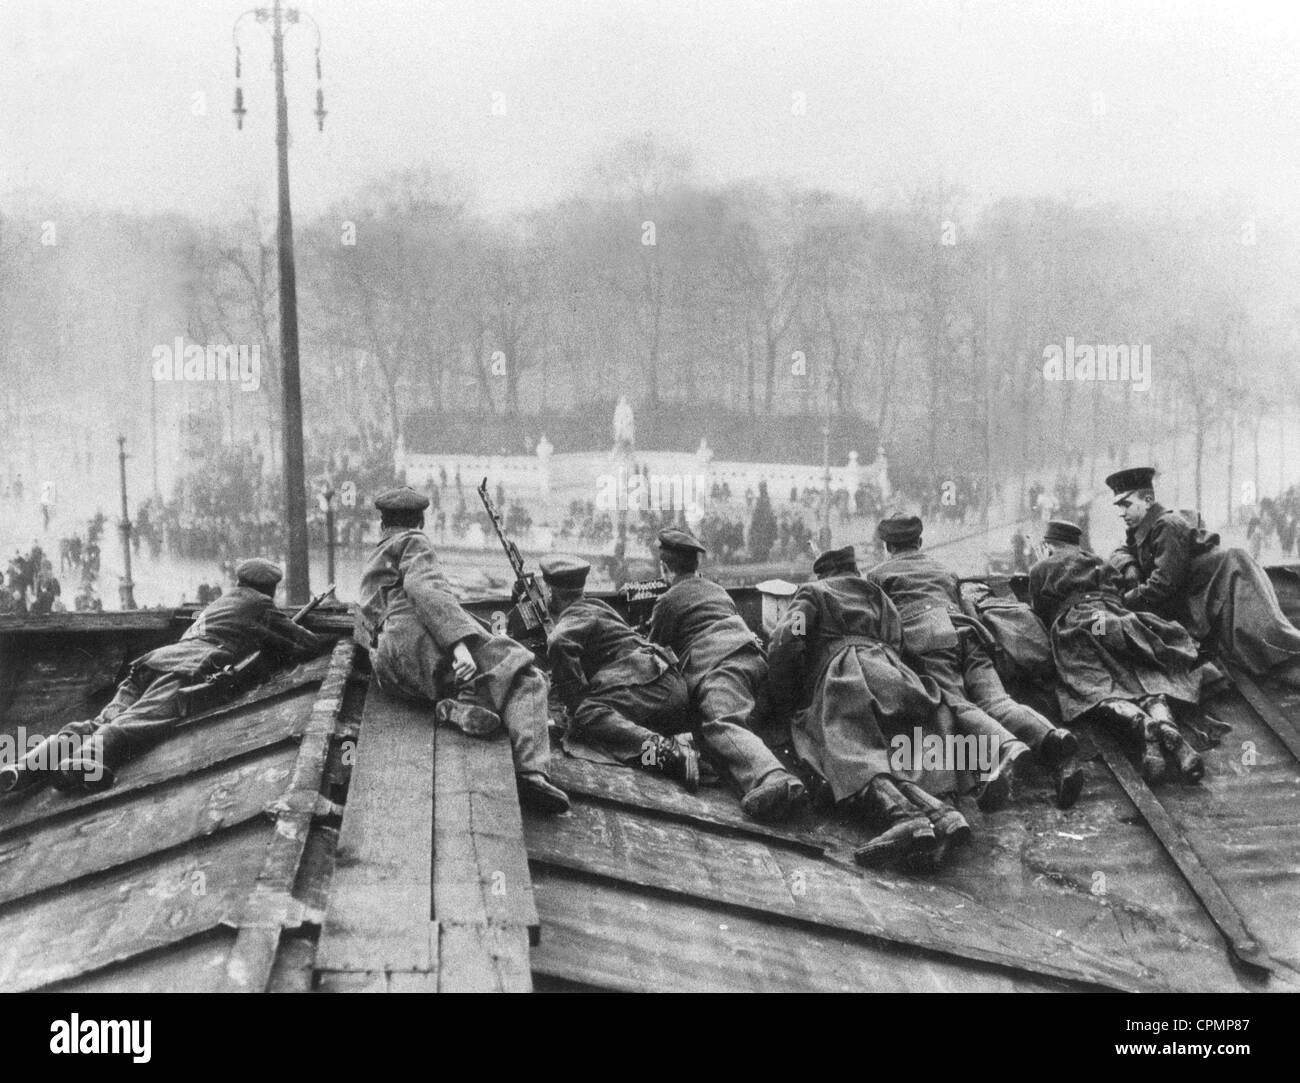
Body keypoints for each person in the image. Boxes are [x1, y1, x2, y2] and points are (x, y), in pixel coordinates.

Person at [0, 559, 325, 796]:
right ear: (270, 588)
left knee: (98, 722)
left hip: (152, 662)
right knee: (136, 722)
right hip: (186, 668)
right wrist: (277, 642)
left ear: (239, 582)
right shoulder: (263, 606)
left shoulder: (220, 603)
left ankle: (28, 765)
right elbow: (308, 644)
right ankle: (81, 765)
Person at [354, 486, 568, 813]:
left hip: (392, 672)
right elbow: (426, 589)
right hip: (418, 646)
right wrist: (459, 646)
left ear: (383, 524)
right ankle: (532, 773)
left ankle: (455, 707)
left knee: (484, 678)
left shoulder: (377, 555)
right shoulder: (414, 541)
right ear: (420, 520)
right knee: (527, 677)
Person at [766, 546, 974, 869]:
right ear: (853, 571)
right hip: (896, 676)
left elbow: (785, 642)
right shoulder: (880, 596)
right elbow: (900, 641)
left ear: (822, 574)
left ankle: (902, 816)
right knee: (893, 755)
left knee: (843, 747)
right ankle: (941, 815)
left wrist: (787, 697)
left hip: (847, 677)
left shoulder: (814, 592)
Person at [866, 513, 1083, 808]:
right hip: (970, 634)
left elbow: (883, 625)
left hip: (930, 638)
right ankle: (1052, 737)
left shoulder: (878, 576)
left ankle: (1007, 748)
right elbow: (968, 609)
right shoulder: (944, 570)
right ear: (919, 542)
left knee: (955, 702)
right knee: (997, 700)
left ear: (887, 546)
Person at [647, 527, 805, 822]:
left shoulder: (667, 601)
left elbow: (655, 653)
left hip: (721, 667)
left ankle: (774, 779)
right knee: (743, 728)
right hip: (755, 661)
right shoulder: (718, 591)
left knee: (721, 723)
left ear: (664, 568)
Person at [1030, 519, 1207, 783]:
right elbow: (1119, 589)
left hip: (1079, 626)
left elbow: (1039, 612)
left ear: (1048, 545)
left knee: (1093, 686)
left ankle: (1142, 723)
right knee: (1139, 678)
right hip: (1116, 621)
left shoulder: (1041, 567)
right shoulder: (1100, 561)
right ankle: (1166, 724)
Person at [1106, 467, 1300, 687]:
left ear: (1148, 500)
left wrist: (1123, 601)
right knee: (1254, 653)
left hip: (1230, 585)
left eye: (1126, 504)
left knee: (1268, 647)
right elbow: (1121, 550)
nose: (1121, 512)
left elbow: (1163, 584)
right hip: (1211, 590)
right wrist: (1129, 565)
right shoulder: (1146, 524)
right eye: (1119, 506)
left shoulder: (1165, 525)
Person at [542, 554, 699, 791]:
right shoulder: (597, 607)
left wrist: (574, 703)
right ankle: (672, 744)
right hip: (668, 689)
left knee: (584, 718)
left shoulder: (577, 616)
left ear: (551, 593)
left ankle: (671, 755)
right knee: (595, 724)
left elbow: (558, 642)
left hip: (651, 688)